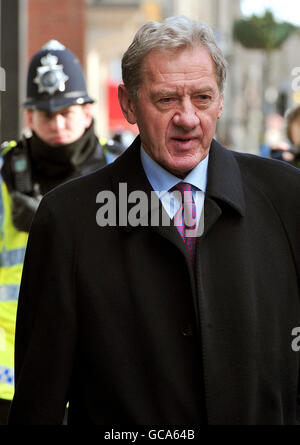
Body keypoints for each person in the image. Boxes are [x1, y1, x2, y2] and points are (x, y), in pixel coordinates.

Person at [8, 17, 300, 425]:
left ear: (220, 101)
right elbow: (39, 401)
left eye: (202, 98)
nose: (187, 118)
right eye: (165, 100)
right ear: (128, 103)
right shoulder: (67, 220)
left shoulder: (287, 196)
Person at [0, 40, 124, 424]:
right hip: (11, 371)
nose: (57, 124)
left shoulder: (124, 170)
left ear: (88, 112)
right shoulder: (4, 173)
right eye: (44, 113)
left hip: (107, 364)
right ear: (28, 117)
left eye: (67, 111)